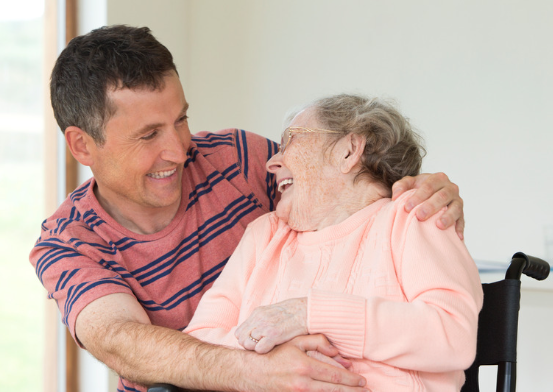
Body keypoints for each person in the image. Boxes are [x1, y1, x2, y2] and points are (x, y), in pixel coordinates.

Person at [30, 25, 466, 392]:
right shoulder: (67, 241)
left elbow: (341, 183)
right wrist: (262, 369)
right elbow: (121, 342)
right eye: (148, 136)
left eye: (180, 120)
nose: (179, 150)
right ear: (82, 145)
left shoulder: (239, 159)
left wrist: (422, 190)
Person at [184, 94, 483, 391]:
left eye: (290, 141)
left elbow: (453, 334)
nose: (272, 163)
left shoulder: (413, 215)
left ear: (348, 151)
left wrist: (309, 315)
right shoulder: (264, 234)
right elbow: (199, 346)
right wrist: (274, 362)